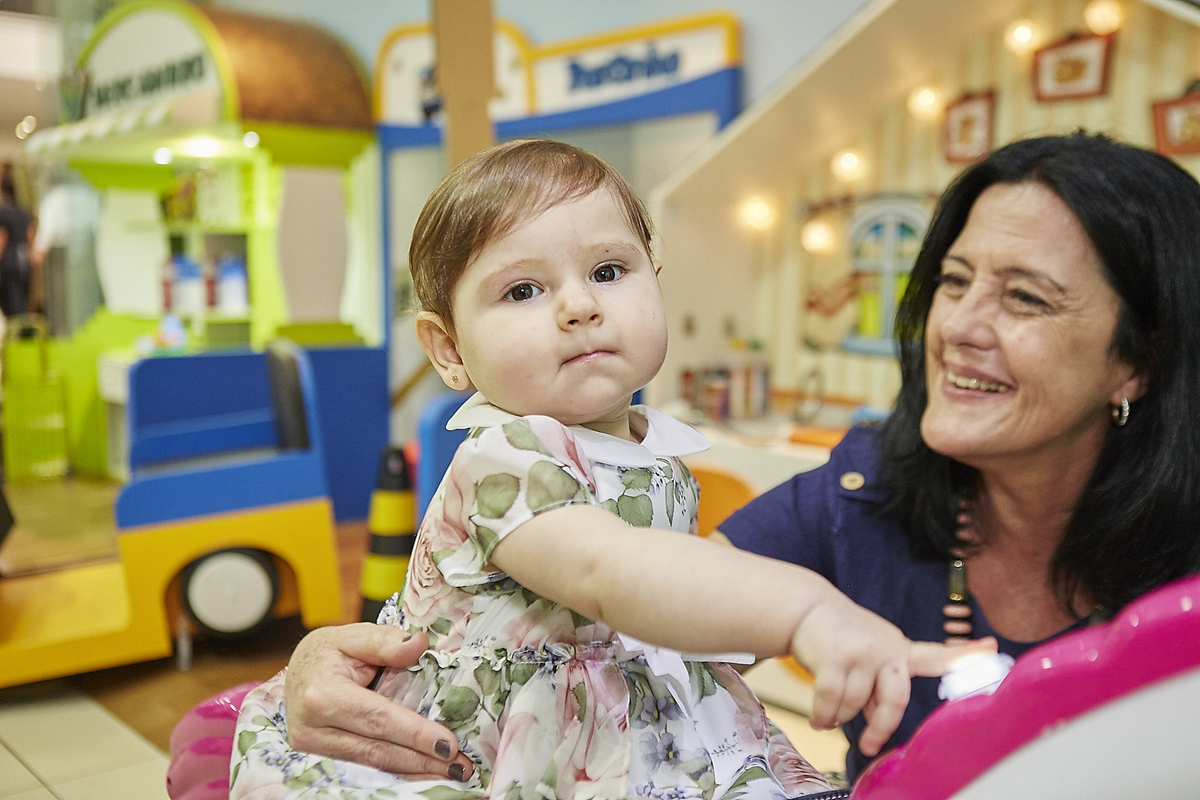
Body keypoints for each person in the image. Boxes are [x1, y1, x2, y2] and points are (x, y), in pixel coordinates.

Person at [266, 132, 1200, 786]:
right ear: (447, 347)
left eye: (1027, 298)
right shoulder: (857, 492)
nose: (959, 327)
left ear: (1140, 357)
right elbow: (635, 581)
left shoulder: (648, 453)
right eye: (953, 282)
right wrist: (326, 666)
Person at [0, 166, 41, 319]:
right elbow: (31, 234)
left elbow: (2, 238)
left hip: (9, 260)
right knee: (22, 296)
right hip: (23, 258)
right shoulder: (24, 213)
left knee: (11, 299)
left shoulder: (3, 213)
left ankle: (19, 326)